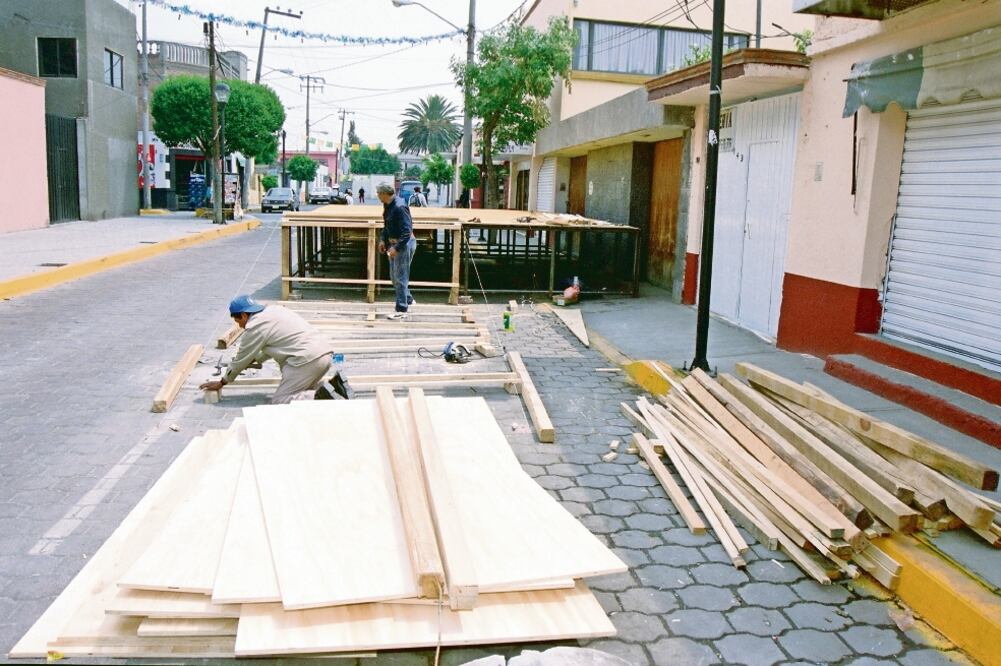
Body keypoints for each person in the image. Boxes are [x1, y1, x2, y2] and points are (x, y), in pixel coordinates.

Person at [199, 295, 353, 404]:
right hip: (324, 354)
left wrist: (223, 382)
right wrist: (257, 360)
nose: (239, 325)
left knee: (281, 400)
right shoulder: (273, 311)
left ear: (245, 315)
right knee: (303, 389)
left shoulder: (255, 327)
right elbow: (273, 344)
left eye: (237, 320)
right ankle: (335, 387)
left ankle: (325, 398)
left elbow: (241, 359)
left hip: (307, 360)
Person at [376, 184, 417, 320]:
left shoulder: (400, 207)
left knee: (400, 277)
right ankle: (409, 299)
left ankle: (401, 309)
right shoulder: (388, 205)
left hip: (403, 244)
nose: (377, 196)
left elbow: (407, 231)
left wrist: (396, 248)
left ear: (384, 194)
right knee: (395, 277)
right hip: (393, 243)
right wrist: (383, 240)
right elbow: (386, 225)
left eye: (378, 193)